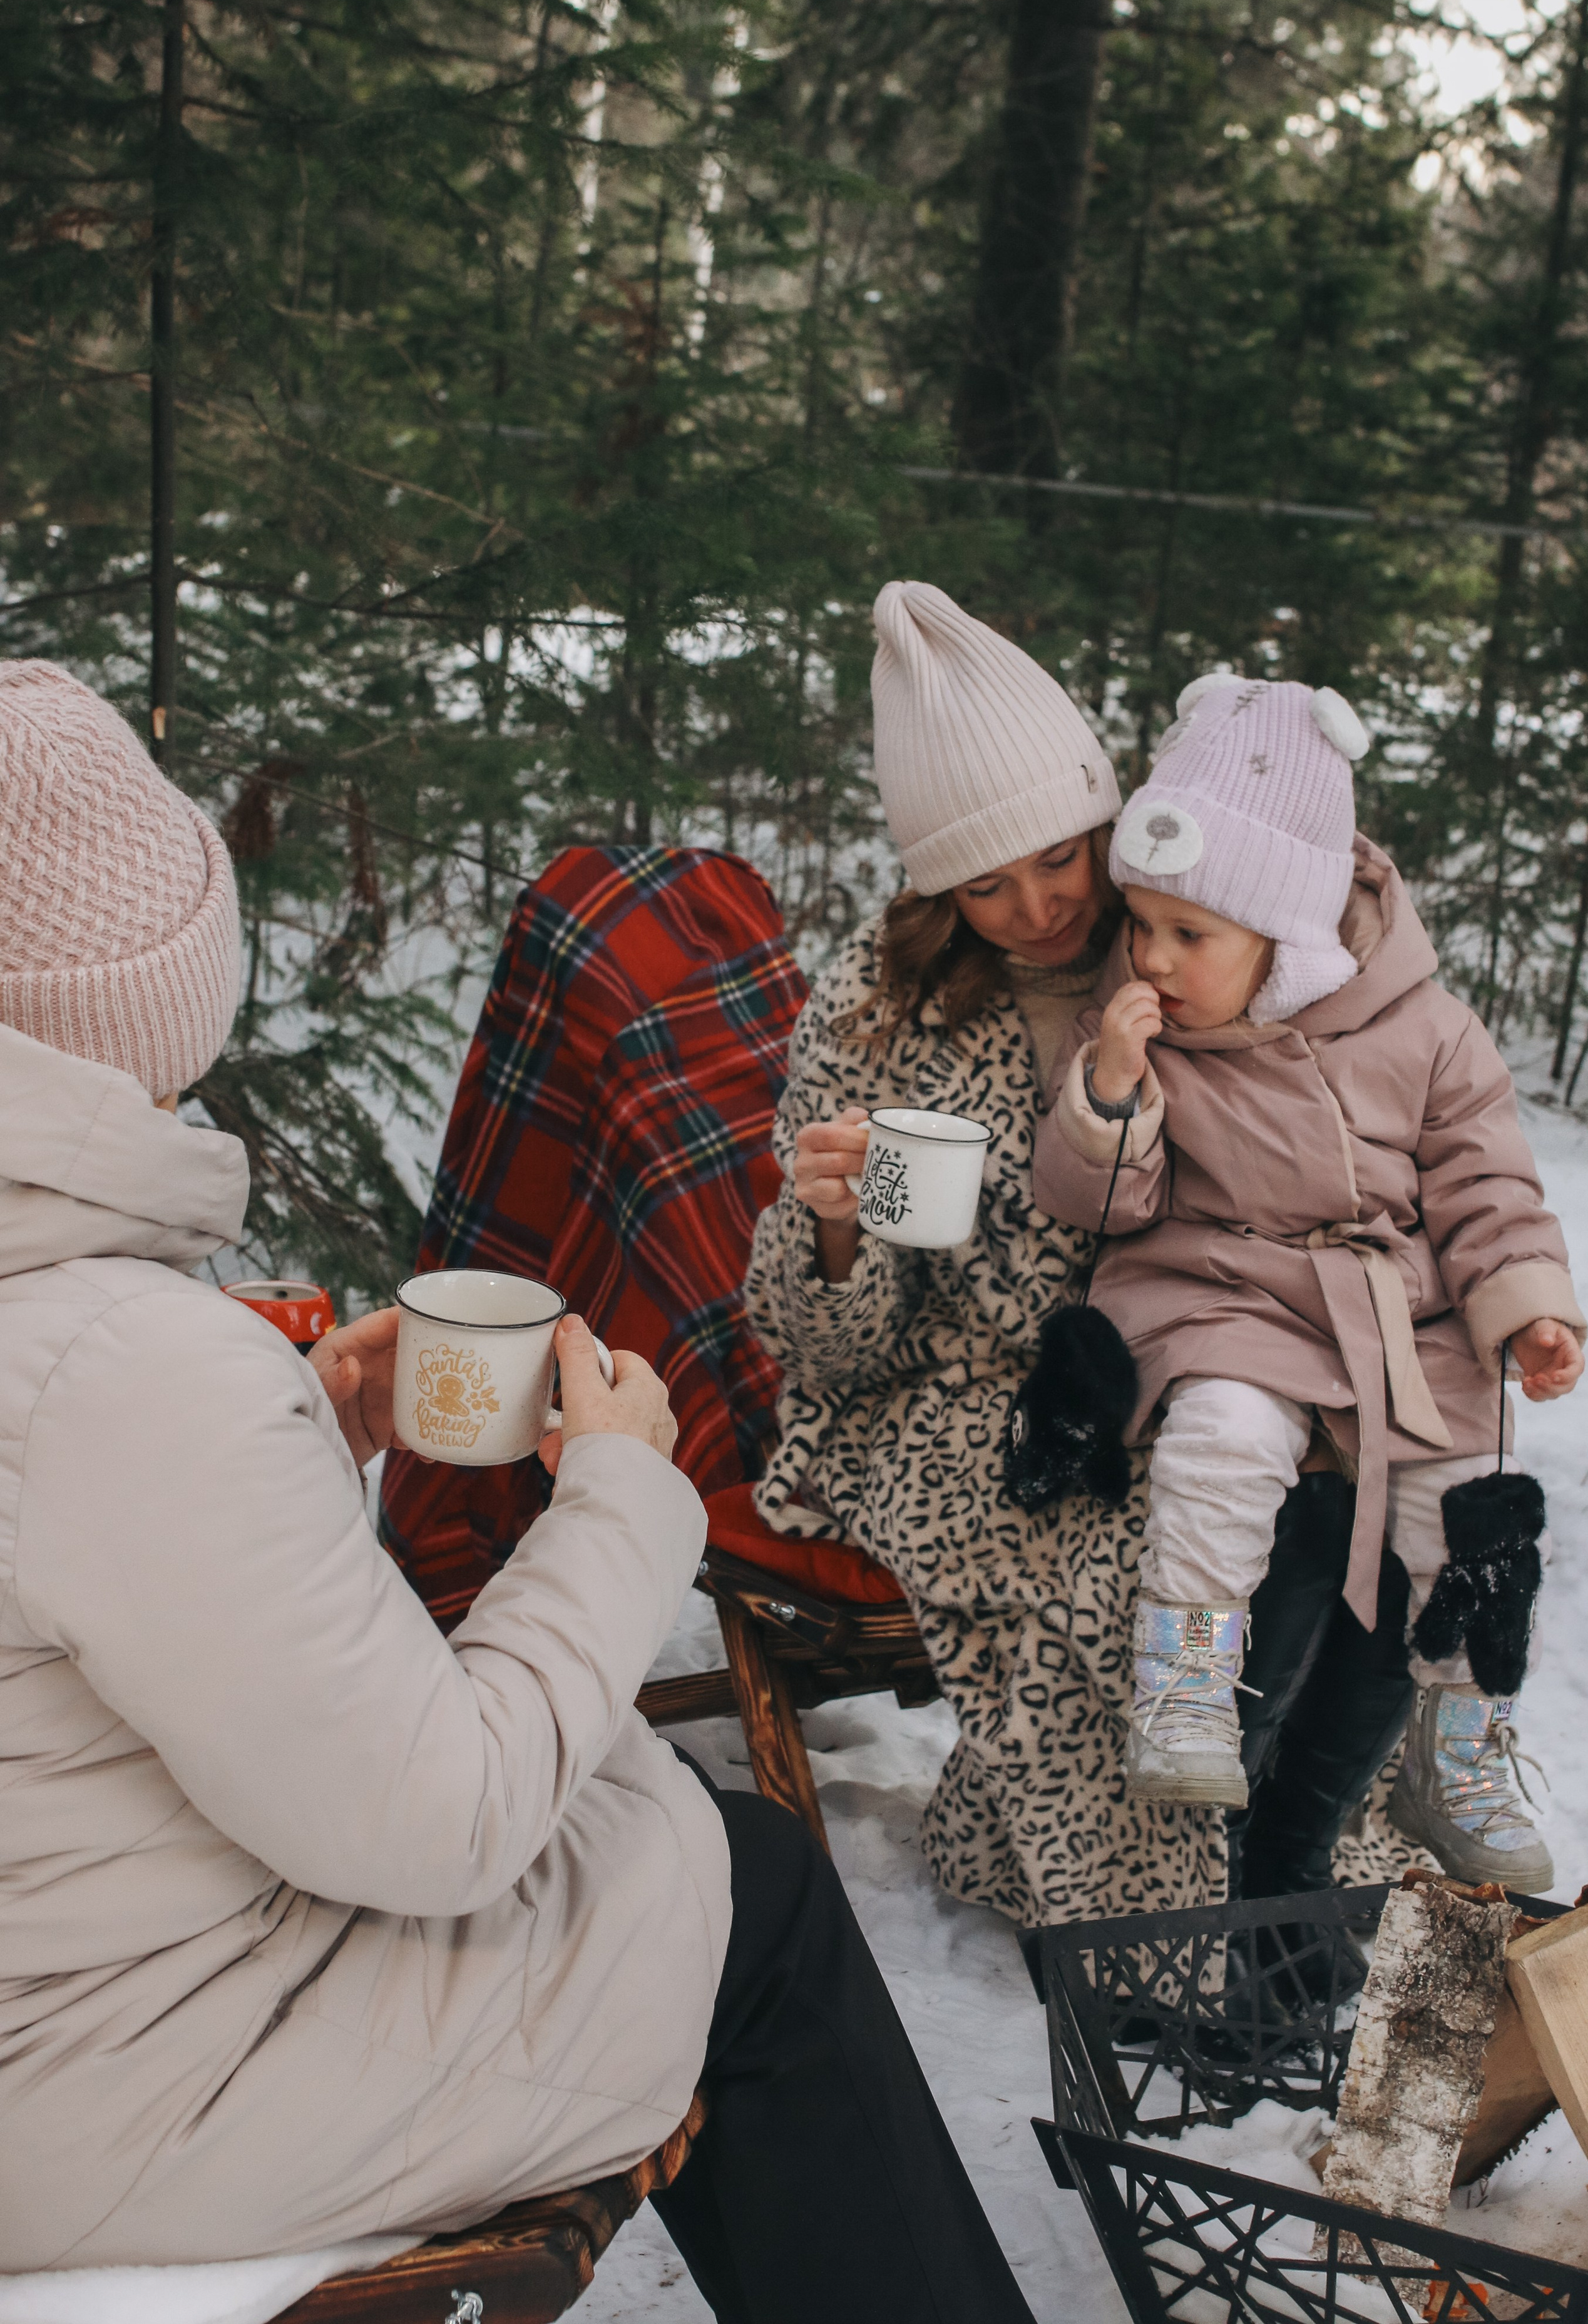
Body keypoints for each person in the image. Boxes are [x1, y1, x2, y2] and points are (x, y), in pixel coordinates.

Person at [0, 661, 1037, 2323]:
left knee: (702, 1854)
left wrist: (289, 1420)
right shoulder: (116, 1369)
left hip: (66, 2000)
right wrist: (625, 1494)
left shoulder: (96, 1354)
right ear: (144, 1007)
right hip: (107, 2093)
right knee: (746, 1895)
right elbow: (445, 1820)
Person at [1032, 671, 1585, 1894]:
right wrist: (1112, 1090)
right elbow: (1100, 1201)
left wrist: (1525, 1305)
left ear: (1283, 936)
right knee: (1220, 1443)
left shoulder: (1423, 1028)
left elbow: (1483, 1179)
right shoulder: (1138, 1031)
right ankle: (1181, 1683)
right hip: (1219, 1294)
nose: (1154, 960)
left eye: (1191, 936)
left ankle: (1462, 1741)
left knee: (1477, 1507)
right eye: (1143, 925)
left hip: (1389, 1313)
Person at [744, 580, 1231, 1927]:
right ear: (933, 887)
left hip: (1162, 1360)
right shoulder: (884, 1012)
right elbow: (846, 1352)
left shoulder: (1187, 952)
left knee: (1250, 1541)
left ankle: (1291, 1889)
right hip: (931, 1401)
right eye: (984, 883)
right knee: (1100, 1555)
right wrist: (836, 1221)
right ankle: (1154, 1947)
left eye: (1056, 860)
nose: (1032, 907)